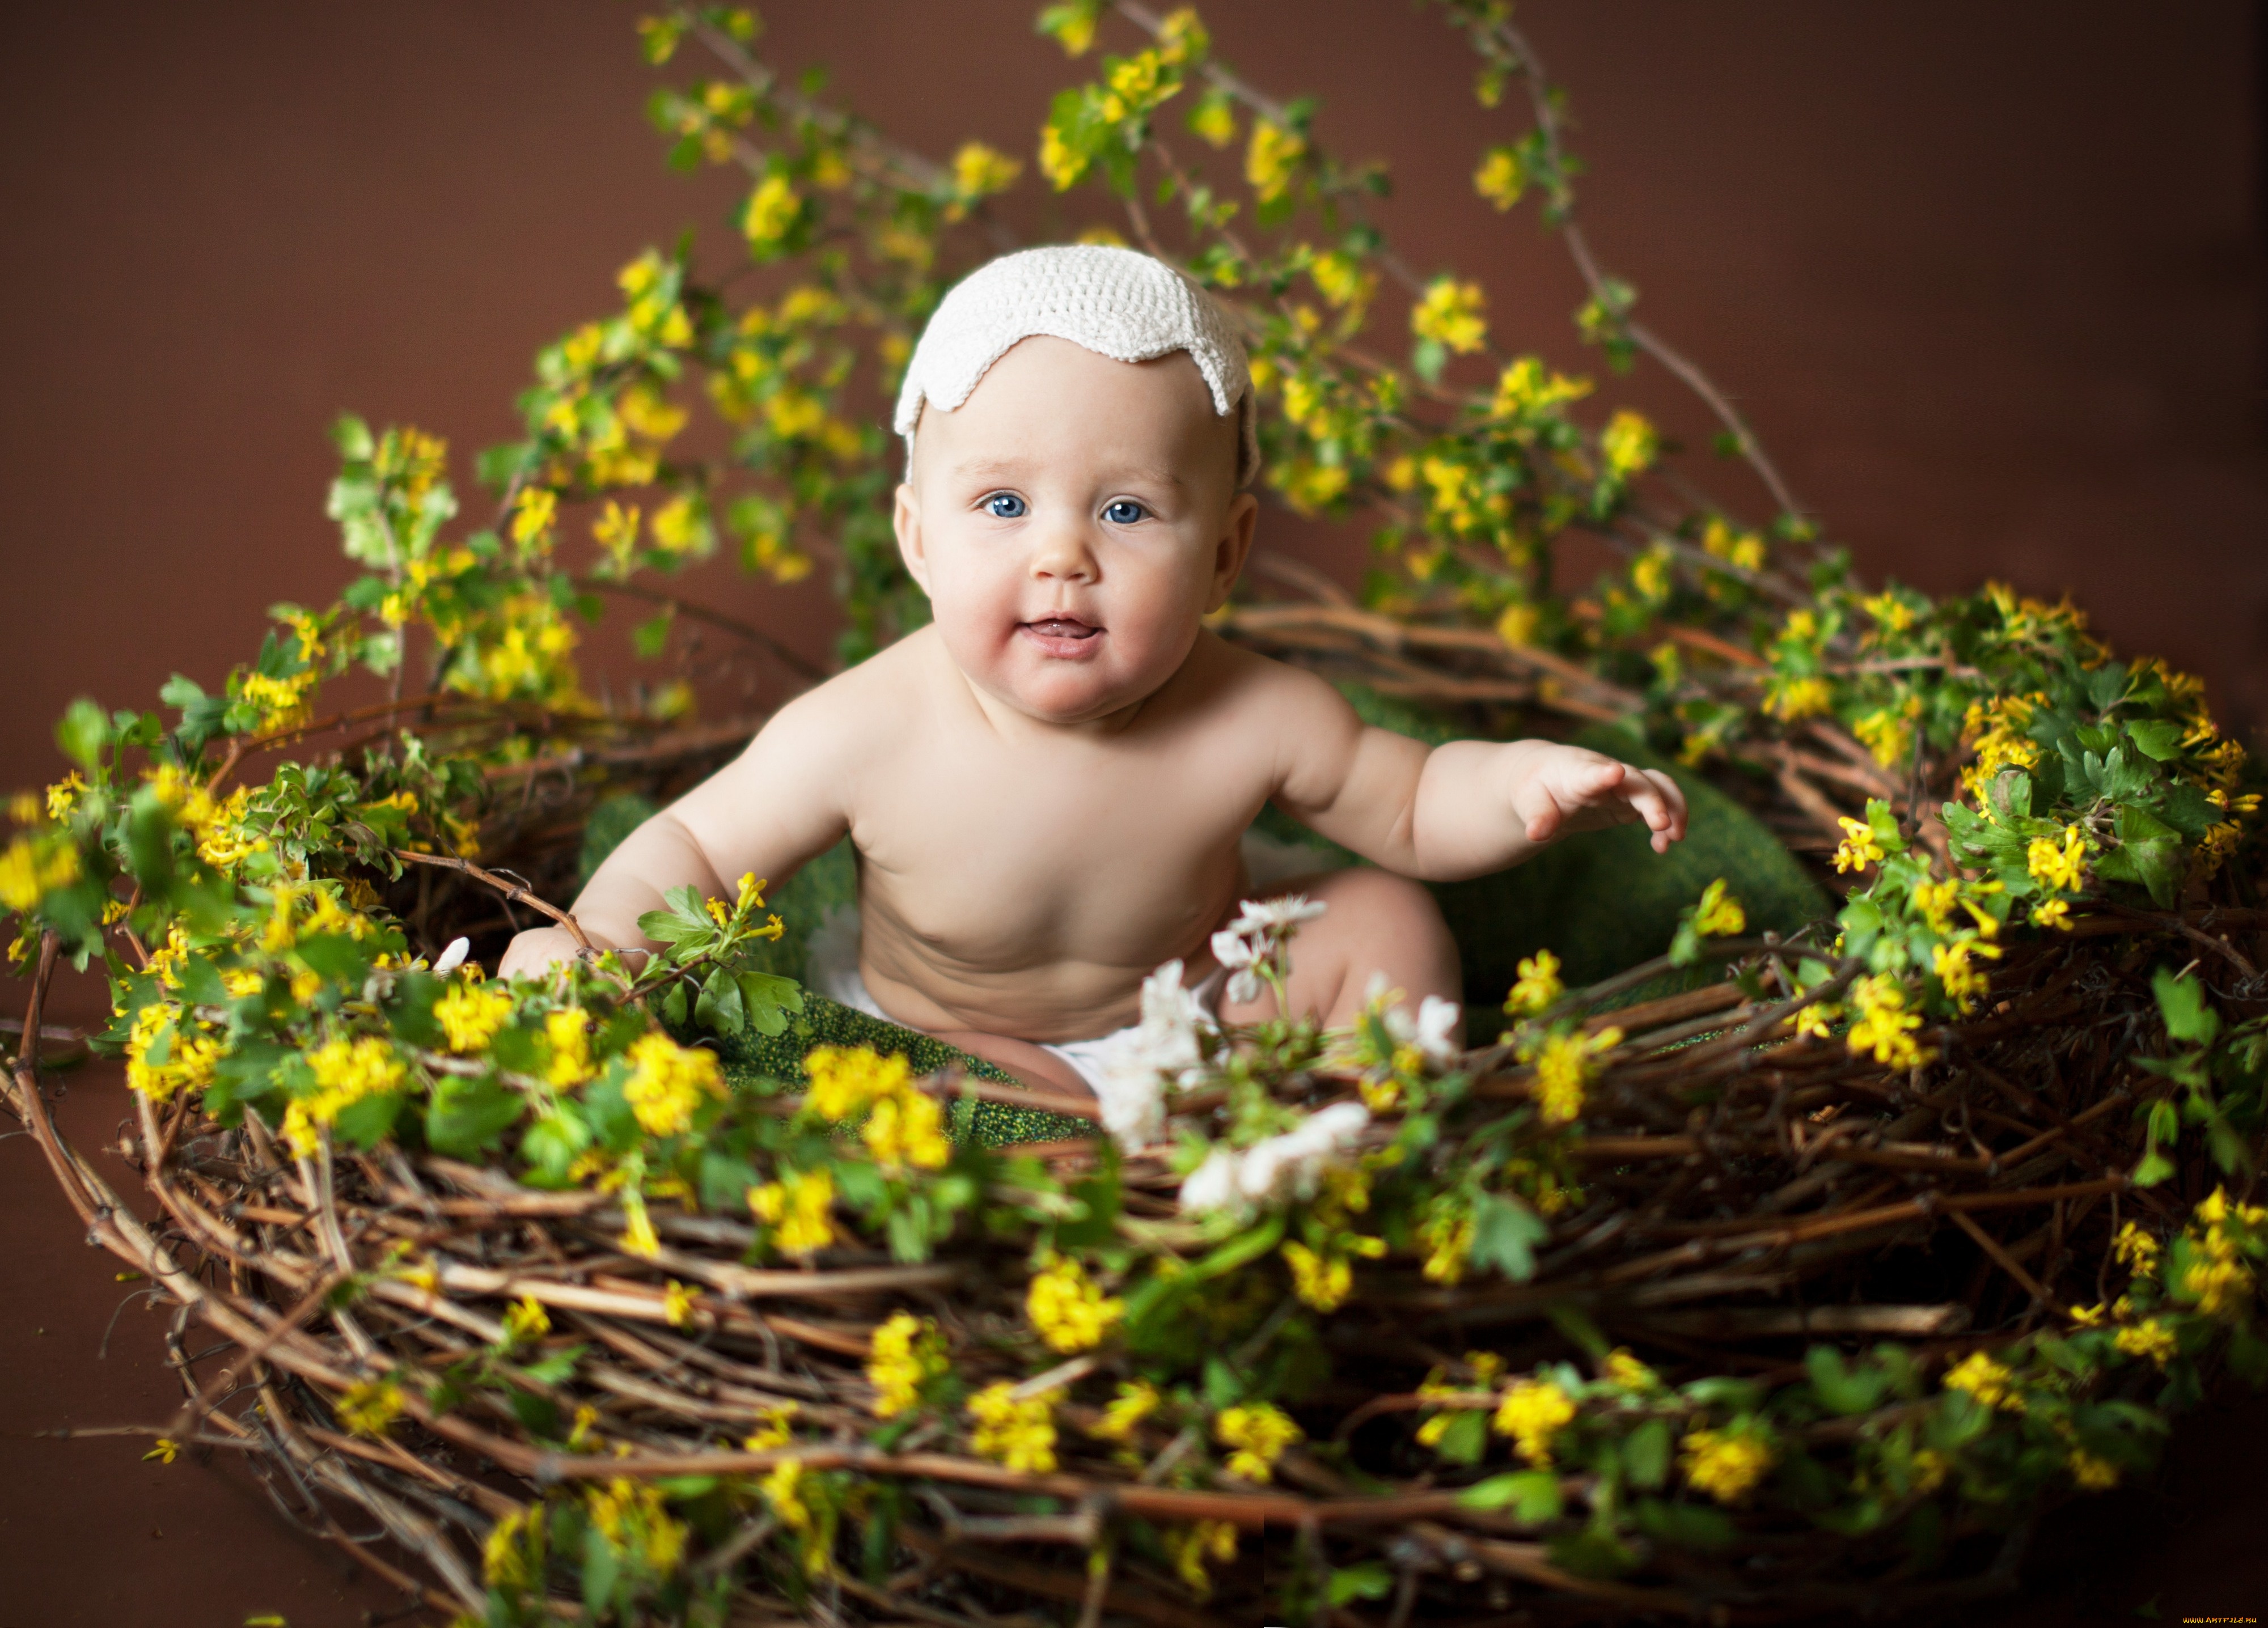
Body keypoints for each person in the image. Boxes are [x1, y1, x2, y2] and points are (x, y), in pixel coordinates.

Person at [499, 244, 1686, 1100]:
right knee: (945, 1092)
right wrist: (599, 944)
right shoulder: (866, 728)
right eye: (1002, 503)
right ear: (918, 537)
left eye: (1124, 508)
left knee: (1386, 919)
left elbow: (1416, 802)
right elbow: (696, 851)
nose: (1062, 554)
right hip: (949, 1039)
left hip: (1200, 1003)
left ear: (1223, 553)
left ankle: (1343, 1141)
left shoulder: (1253, 709)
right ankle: (1120, 1160)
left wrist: (1529, 783)